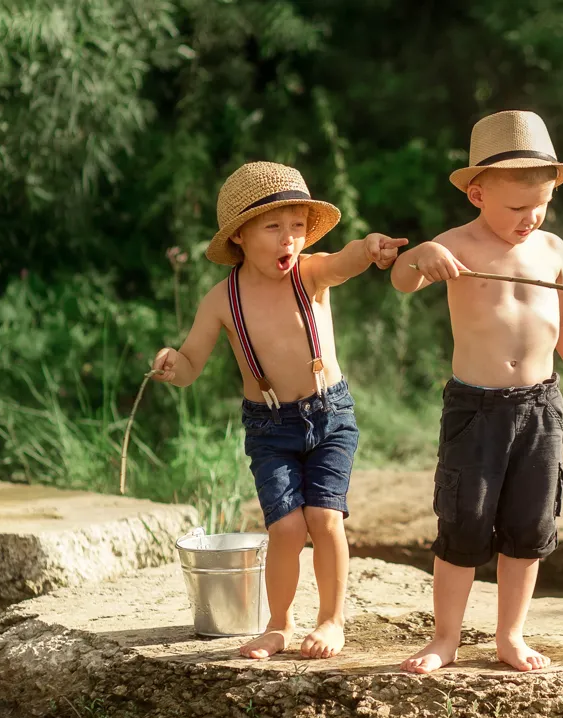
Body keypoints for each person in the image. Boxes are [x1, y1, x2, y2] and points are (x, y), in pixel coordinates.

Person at [153, 161, 407, 660]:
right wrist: (170, 365)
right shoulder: (221, 300)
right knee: (286, 526)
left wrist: (370, 248)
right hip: (269, 427)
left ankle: (332, 620)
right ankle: (279, 623)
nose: (288, 239)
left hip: (330, 415)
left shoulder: (310, 275)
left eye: (297, 227)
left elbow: (345, 259)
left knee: (324, 516)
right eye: (273, 227)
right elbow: (190, 364)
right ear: (241, 236)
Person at [389, 110, 563, 674]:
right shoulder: (455, 246)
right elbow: (403, 280)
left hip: (539, 405)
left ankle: (511, 635)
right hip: (475, 408)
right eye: (515, 208)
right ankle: (445, 639)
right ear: (477, 194)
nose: (529, 219)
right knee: (464, 522)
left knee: (530, 525)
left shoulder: (552, 250)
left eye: (541, 206)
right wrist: (417, 258)